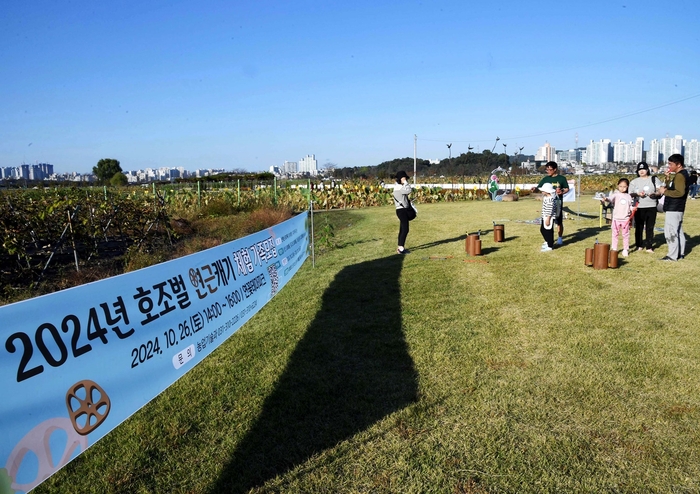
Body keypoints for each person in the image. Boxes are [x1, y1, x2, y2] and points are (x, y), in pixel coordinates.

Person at [658, 154, 689, 261]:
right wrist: (667, 178)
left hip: (674, 207)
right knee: (678, 231)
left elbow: (680, 192)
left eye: (671, 164)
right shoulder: (681, 174)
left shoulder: (680, 176)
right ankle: (680, 253)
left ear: (679, 164)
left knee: (670, 231)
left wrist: (664, 191)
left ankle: (672, 256)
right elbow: (674, 187)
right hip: (678, 208)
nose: (669, 166)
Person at [532, 162, 569, 245]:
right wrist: (535, 189)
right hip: (548, 202)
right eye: (547, 169)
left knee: (558, 221)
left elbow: (567, 188)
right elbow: (539, 188)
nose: (548, 171)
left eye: (550, 169)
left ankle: (560, 237)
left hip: (558, 202)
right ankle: (549, 239)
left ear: (555, 169)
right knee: (548, 220)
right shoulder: (545, 179)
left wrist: (562, 191)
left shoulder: (562, 178)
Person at [629, 162, 660, 252]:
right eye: (639, 170)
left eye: (643, 169)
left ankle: (649, 246)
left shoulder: (653, 179)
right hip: (639, 206)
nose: (641, 171)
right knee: (639, 227)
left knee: (650, 227)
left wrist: (655, 194)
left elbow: (660, 190)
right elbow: (630, 193)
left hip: (651, 206)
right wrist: (637, 194)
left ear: (647, 170)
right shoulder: (634, 182)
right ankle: (639, 244)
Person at [601, 178, 633, 257]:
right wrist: (605, 199)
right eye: (620, 186)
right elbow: (610, 199)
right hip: (616, 219)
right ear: (618, 186)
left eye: (624, 186)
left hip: (625, 219)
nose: (622, 188)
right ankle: (614, 248)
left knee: (625, 234)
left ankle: (625, 249)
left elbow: (630, 206)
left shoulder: (629, 196)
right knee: (615, 234)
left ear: (627, 187)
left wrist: (633, 209)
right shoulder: (616, 195)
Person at [393, 170, 413, 254]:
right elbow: (409, 190)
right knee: (405, 229)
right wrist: (405, 182)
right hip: (402, 211)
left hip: (400, 210)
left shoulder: (397, 187)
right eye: (404, 178)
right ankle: (401, 249)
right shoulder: (399, 188)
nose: (406, 180)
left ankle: (400, 247)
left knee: (402, 229)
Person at [539, 183, 556, 252]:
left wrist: (548, 219)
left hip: (549, 217)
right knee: (543, 230)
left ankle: (550, 246)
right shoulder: (546, 198)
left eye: (543, 190)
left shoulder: (550, 199)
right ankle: (547, 241)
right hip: (545, 216)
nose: (542, 192)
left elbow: (550, 210)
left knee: (548, 231)